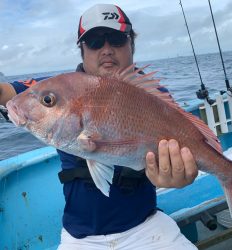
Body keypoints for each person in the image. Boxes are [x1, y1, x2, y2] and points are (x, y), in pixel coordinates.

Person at [0, 4, 198, 249]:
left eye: (116, 38)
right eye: (94, 41)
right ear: (82, 50)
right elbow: (6, 93)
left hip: (147, 226)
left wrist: (180, 177)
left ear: (131, 44)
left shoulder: (154, 96)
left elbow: (189, 148)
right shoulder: (55, 87)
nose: (106, 49)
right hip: (80, 238)